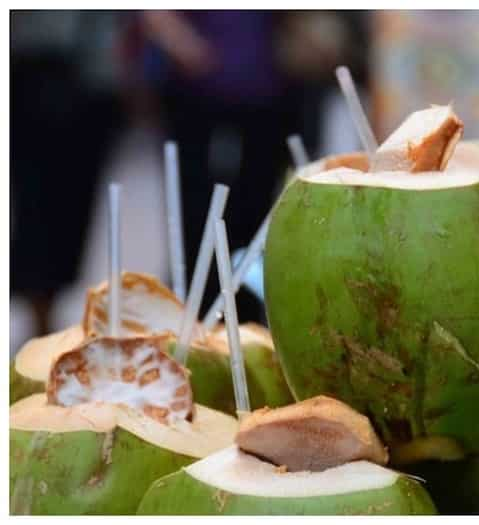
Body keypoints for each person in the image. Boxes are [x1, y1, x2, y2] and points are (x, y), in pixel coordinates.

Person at [138, 11, 349, 322]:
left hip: (269, 93)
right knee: (195, 212)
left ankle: (245, 318)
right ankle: (193, 318)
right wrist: (179, 41)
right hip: (196, 91)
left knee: (254, 215)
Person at [11, 11, 127, 337]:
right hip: (39, 68)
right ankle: (38, 314)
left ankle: (53, 305)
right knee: (37, 206)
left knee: (75, 208)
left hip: (98, 79)